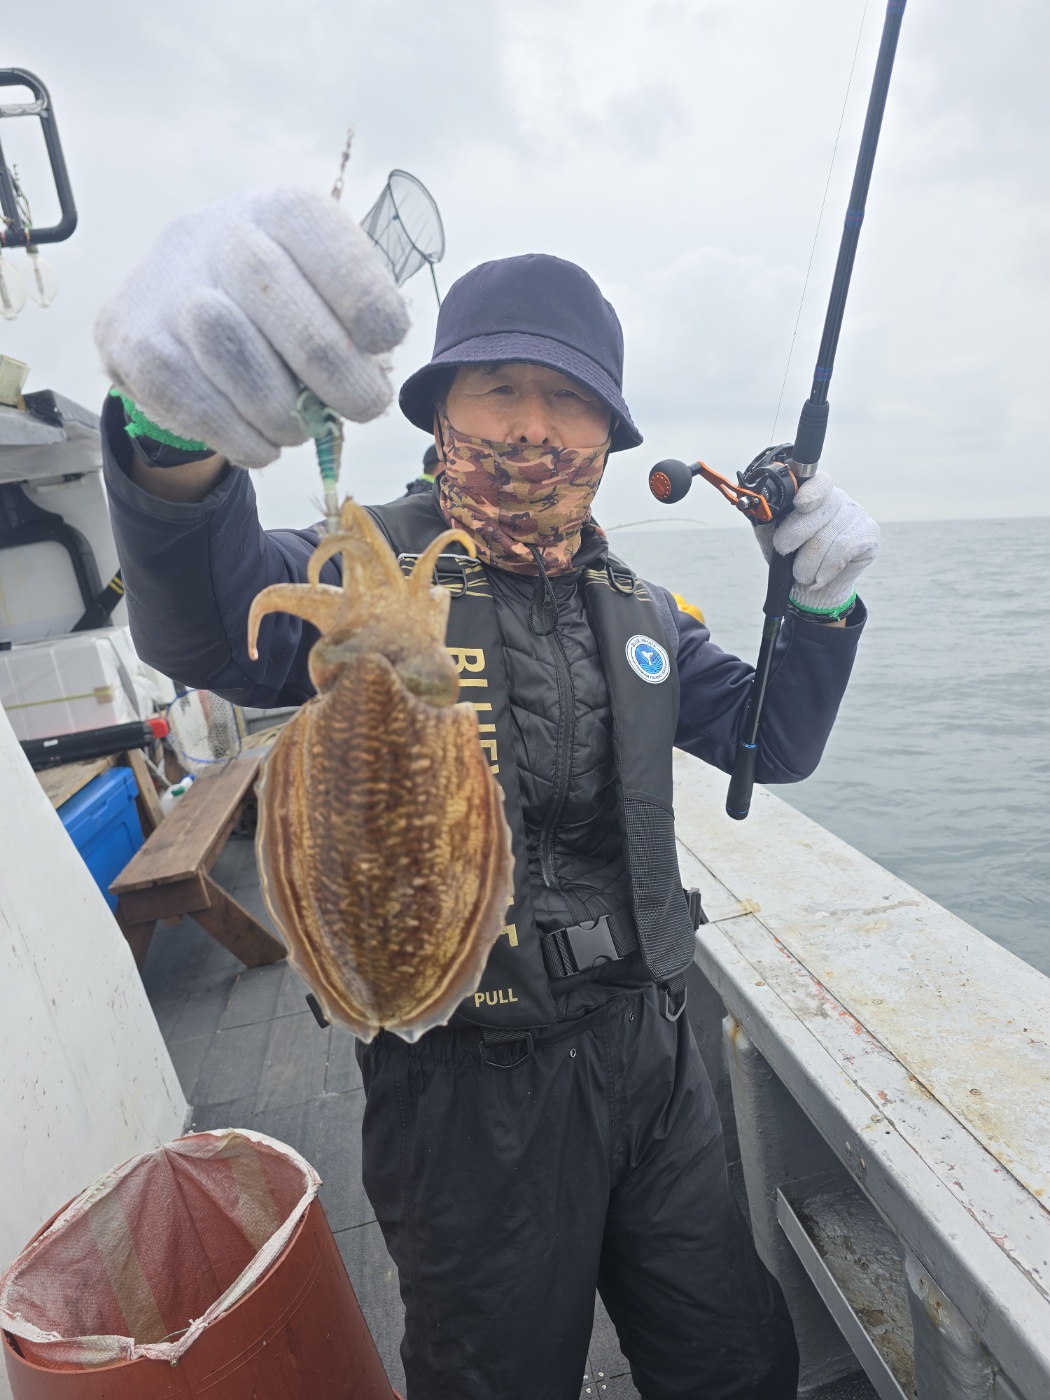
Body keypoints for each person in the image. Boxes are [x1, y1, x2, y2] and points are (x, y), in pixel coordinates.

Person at [95, 188, 878, 1399]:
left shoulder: (641, 606)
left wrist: (819, 606)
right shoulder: (363, 567)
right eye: (500, 386)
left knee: (733, 1358)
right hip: (463, 1088)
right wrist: (168, 434)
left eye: (570, 397)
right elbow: (206, 619)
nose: (534, 424)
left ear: (609, 434)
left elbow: (769, 736)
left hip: (654, 1052)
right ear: (442, 408)